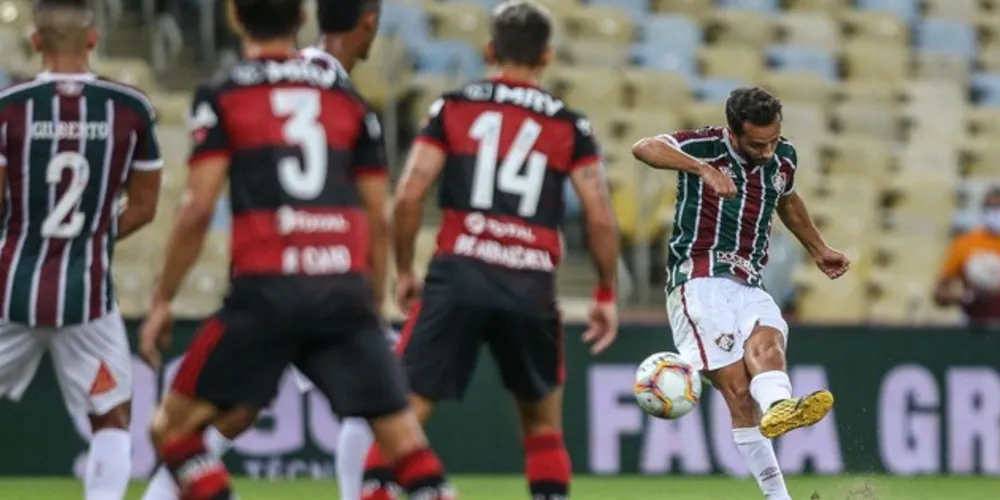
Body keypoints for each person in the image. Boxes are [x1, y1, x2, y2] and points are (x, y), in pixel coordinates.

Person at [137, 0, 455, 498]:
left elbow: (197, 210)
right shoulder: (349, 101)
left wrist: (162, 300)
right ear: (302, 17)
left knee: (175, 429)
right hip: (340, 288)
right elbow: (376, 211)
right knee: (404, 446)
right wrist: (372, 298)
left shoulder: (226, 94)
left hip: (267, 288)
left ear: (235, 16)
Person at [361, 1, 620, 499]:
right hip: (530, 282)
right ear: (546, 56)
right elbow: (600, 215)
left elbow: (410, 194)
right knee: (542, 426)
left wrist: (403, 270)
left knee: (404, 414)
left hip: (458, 272)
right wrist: (605, 291)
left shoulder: (453, 107)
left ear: (488, 50)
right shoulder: (571, 125)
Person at [631, 87, 849, 500]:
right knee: (739, 391)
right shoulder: (706, 146)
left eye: (772, 141)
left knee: (770, 345)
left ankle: (781, 408)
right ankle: (777, 496)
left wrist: (819, 249)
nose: (767, 152)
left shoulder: (783, 156)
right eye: (756, 144)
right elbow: (644, 147)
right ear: (733, 133)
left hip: (749, 279)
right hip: (698, 279)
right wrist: (702, 169)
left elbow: (786, 199)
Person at [0, 0, 163, 499]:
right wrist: (88, 232)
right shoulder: (131, 109)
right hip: (87, 294)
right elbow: (144, 207)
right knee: (111, 416)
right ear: (93, 40)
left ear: (35, 42)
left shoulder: (9, 109)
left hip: (9, 289)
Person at [934, 185, 1000, 325]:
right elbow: (939, 292)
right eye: (991, 208)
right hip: (973, 321)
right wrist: (965, 298)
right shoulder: (966, 243)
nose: (995, 213)